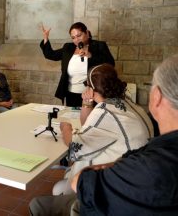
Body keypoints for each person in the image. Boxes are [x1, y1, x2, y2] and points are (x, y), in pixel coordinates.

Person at [28, 64, 155, 215]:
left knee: (58, 189)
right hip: (135, 175)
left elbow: (75, 147)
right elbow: (86, 124)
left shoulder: (105, 111)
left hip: (113, 183)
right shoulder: (126, 102)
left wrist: (65, 129)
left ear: (91, 88)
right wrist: (87, 101)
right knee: (60, 187)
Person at [68, 55, 178, 215]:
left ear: (156, 97)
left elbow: (76, 151)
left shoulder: (106, 111)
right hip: (127, 179)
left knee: (50, 197)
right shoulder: (129, 104)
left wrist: (66, 130)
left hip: (114, 189)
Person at [39, 22, 115, 107]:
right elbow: (50, 55)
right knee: (72, 117)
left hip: (92, 93)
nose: (76, 39)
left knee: (89, 119)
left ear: (87, 33)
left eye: (79, 35)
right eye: (73, 37)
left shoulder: (99, 46)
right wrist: (46, 38)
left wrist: (90, 55)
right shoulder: (68, 47)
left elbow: (110, 64)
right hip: (71, 93)